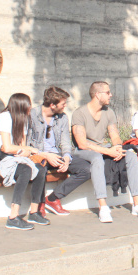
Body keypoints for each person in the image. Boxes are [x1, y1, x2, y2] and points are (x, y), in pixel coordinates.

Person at [71, 81, 138, 223]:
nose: (110, 95)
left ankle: (137, 203)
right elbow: (82, 143)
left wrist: (117, 148)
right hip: (83, 151)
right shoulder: (79, 113)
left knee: (130, 156)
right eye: (107, 92)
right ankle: (103, 207)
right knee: (97, 158)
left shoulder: (109, 112)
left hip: (103, 147)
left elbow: (115, 136)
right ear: (97, 95)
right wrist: (108, 152)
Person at [0, 93, 49, 230]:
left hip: (10, 157)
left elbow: (20, 145)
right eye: (28, 105)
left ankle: (34, 212)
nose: (30, 108)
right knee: (25, 170)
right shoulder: (4, 118)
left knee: (40, 169)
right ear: (21, 106)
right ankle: (13, 216)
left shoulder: (23, 119)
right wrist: (26, 150)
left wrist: (25, 151)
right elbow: (7, 147)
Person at [27, 86, 91, 217]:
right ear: (52, 105)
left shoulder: (62, 118)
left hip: (57, 154)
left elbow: (65, 141)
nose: (65, 106)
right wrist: (43, 155)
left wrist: (67, 157)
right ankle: (39, 203)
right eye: (63, 103)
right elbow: (26, 143)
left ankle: (53, 198)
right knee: (40, 168)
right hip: (38, 154)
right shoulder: (32, 115)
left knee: (86, 169)